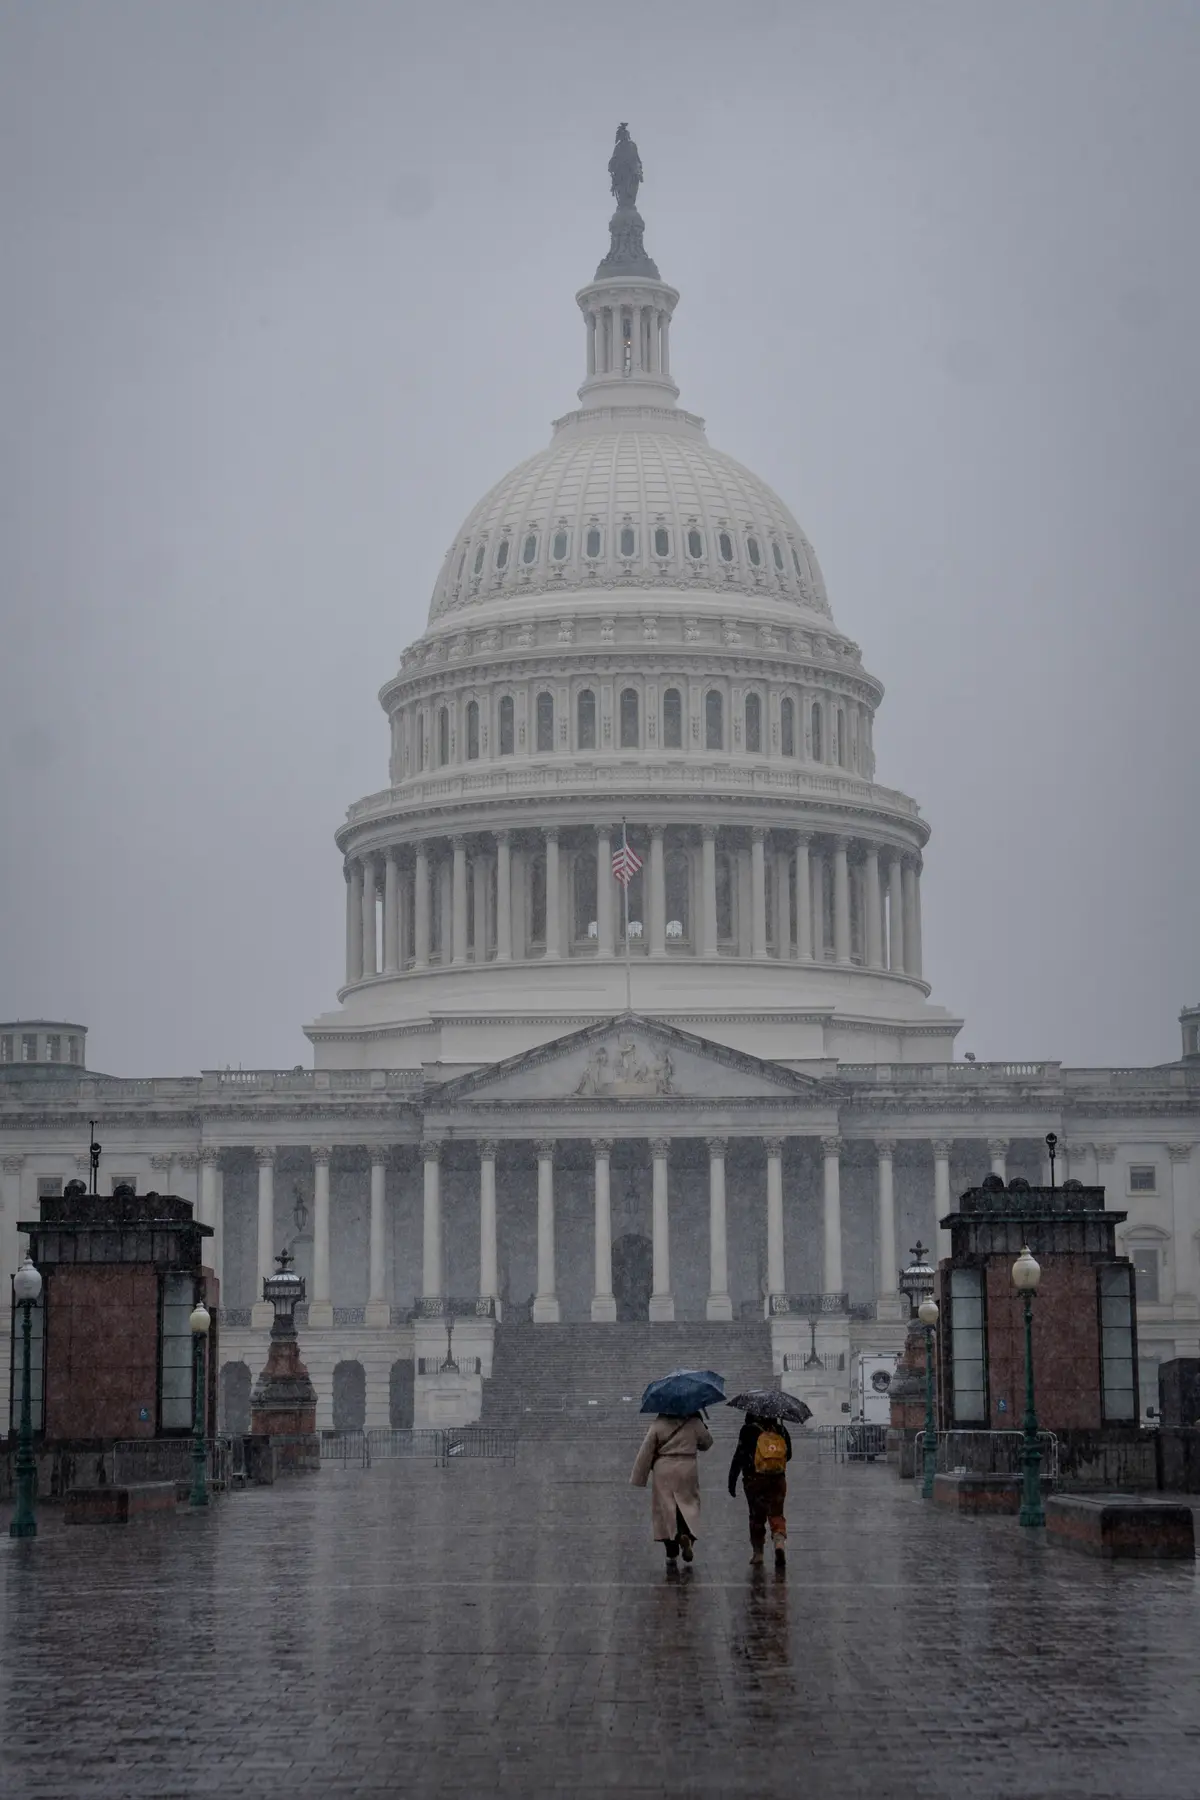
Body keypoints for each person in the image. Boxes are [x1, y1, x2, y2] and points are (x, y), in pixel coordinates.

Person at [630, 1412, 713, 1565]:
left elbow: (646, 1450)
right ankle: (686, 1534)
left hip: (664, 1467)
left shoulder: (659, 1424)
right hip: (687, 1466)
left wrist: (639, 1476)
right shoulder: (694, 1421)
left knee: (666, 1508)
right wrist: (702, 1426)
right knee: (688, 1505)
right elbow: (707, 1443)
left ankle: (671, 1547)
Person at [728, 1412, 792, 1566]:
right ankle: (779, 1543)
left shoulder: (748, 1430)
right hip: (777, 1478)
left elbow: (739, 1456)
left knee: (756, 1516)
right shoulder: (781, 1429)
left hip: (754, 1479)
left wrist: (732, 1479)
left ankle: (758, 1553)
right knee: (777, 1513)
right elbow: (788, 1454)